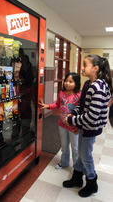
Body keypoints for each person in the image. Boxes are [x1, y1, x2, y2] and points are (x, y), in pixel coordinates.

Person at [62, 54, 112, 198]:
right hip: (84, 124)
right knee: (81, 155)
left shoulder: (98, 88)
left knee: (86, 156)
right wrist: (74, 116)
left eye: (85, 65)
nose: (82, 68)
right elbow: (82, 106)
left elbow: (92, 116)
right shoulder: (87, 84)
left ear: (95, 68)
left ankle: (92, 182)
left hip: (91, 127)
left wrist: (72, 120)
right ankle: (77, 178)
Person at [39, 72, 81, 169]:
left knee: (75, 148)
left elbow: (81, 111)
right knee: (64, 146)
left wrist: (79, 126)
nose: (67, 83)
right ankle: (64, 162)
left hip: (74, 126)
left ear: (76, 84)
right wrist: (47, 106)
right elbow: (57, 105)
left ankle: (77, 168)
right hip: (62, 124)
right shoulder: (62, 93)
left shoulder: (79, 95)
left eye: (70, 81)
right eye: (66, 81)